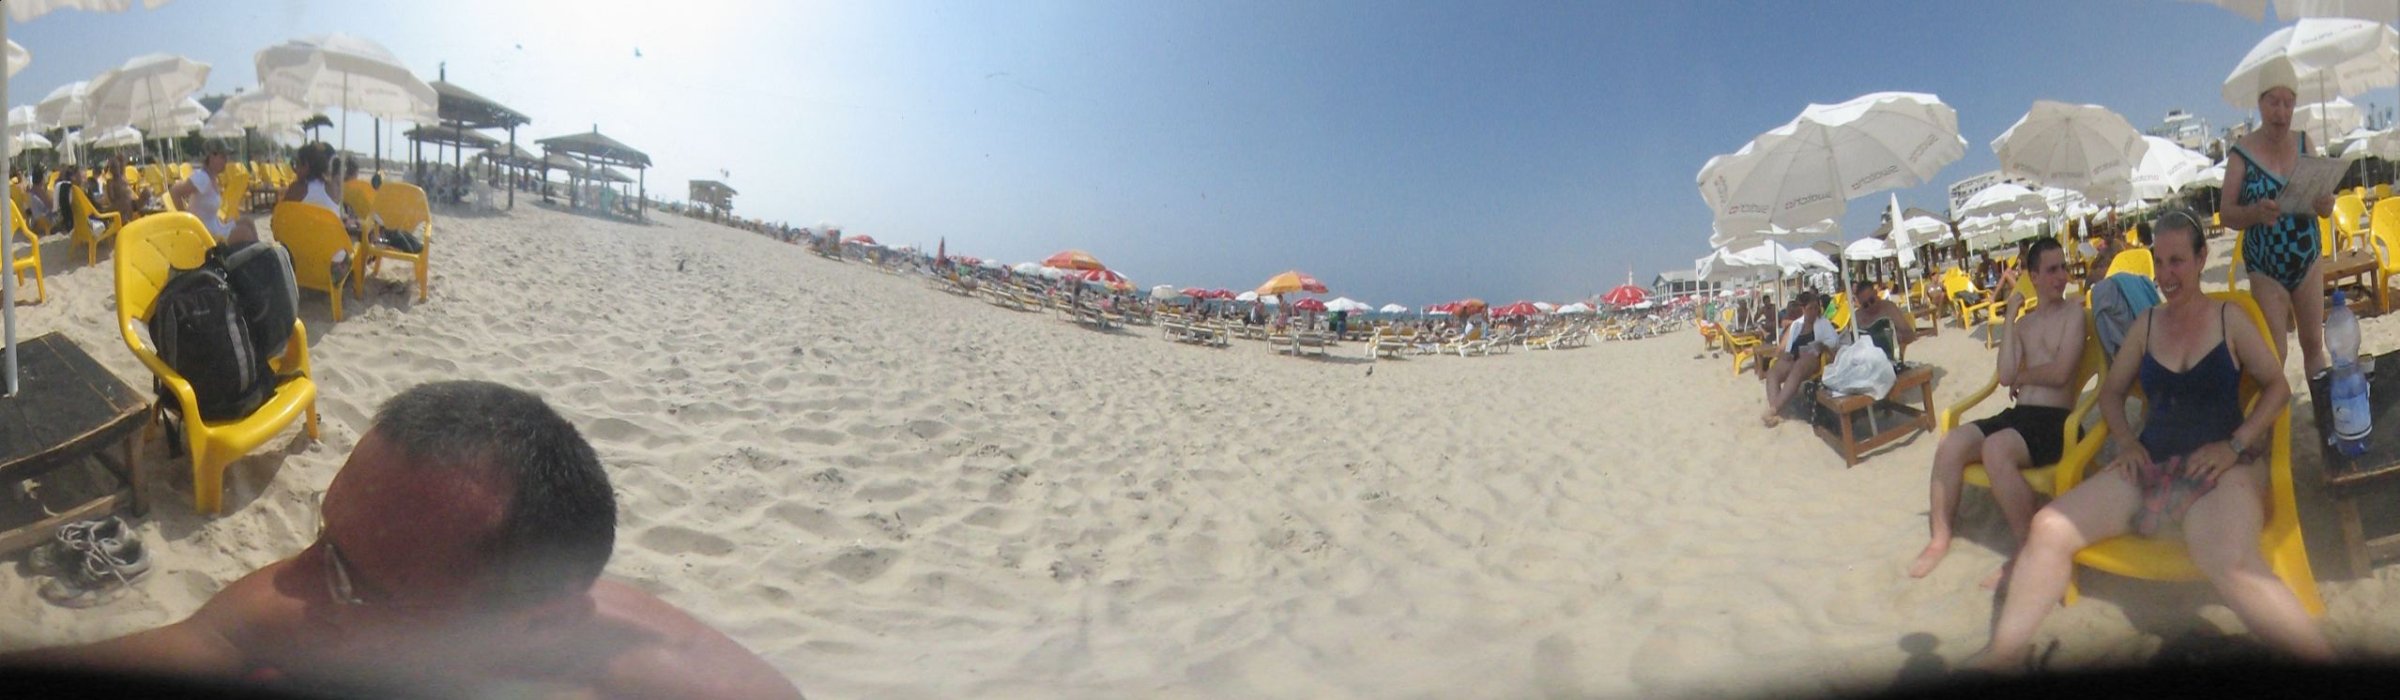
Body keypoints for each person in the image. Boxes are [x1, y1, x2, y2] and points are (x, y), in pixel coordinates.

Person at [0, 381, 806, 699]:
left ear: (540, 621)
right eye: (324, 534)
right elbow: (204, 642)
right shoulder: (343, 575)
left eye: (348, 575)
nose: (291, 585)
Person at [1967, 210, 2332, 672]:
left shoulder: (2230, 319)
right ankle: (2004, 656)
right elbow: (2112, 393)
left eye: (2177, 261)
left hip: (2221, 467)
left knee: (2227, 559)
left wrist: (2236, 445)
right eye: (2159, 262)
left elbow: (2277, 387)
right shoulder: (2147, 324)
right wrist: (2125, 440)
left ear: (2201, 258)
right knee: (2049, 527)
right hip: (2153, 461)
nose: (2166, 275)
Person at [1909, 239, 2082, 586]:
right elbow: (2005, 375)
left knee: (1996, 448)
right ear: (2033, 277)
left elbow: (2061, 373)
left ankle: (2027, 550)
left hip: (2055, 421)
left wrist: (2024, 376)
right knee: (1951, 444)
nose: (2061, 276)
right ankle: (1940, 538)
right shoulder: (2026, 324)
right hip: (2020, 417)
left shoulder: (2073, 313)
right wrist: (2010, 319)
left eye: (2063, 267)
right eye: (2052, 270)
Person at [2220, 71, 2337, 380]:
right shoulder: (2241, 153)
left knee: (2314, 345)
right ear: (2260, 103)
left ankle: (2322, 408)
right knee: (2275, 353)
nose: (2281, 112)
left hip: (2307, 258)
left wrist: (2326, 206)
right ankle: (2277, 413)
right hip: (2265, 267)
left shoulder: (2304, 142)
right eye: (2273, 102)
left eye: (2288, 103)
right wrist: (2254, 213)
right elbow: (2226, 214)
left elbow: (2322, 203)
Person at [1760, 290, 1842, 428]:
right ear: (1803, 309)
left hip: (1812, 358)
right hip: (1793, 358)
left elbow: (1834, 341)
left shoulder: (1823, 323)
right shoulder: (1796, 325)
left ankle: (1773, 410)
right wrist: (1784, 354)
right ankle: (1778, 412)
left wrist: (1822, 345)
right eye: (1810, 308)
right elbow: (1785, 347)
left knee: (1798, 367)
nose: (1814, 311)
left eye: (1816, 308)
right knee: (1773, 373)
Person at [170, 144, 258, 244]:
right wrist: (187, 220)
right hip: (208, 234)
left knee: (247, 221)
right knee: (245, 232)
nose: (226, 160)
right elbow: (175, 191)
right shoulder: (202, 177)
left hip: (216, 227)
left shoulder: (212, 177)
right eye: (223, 156)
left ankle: (260, 251)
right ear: (211, 157)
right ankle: (257, 251)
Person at [1849, 279, 1917, 355]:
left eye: (1872, 300)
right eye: (1865, 305)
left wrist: (1897, 336)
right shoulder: (1857, 316)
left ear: (1875, 293)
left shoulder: (1889, 308)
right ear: (1860, 304)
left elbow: (1911, 335)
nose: (1870, 306)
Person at [279, 142, 342, 216]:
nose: (295, 170)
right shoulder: (334, 190)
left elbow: (280, 216)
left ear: (306, 165)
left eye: (297, 164)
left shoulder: (297, 189)